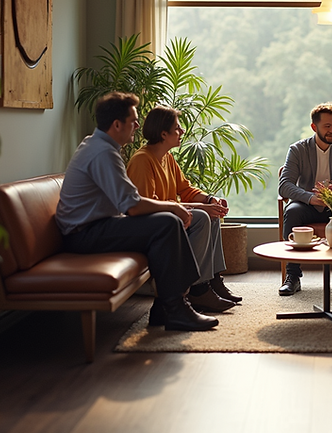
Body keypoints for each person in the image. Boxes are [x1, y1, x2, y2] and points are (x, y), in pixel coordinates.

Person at [55, 91, 217, 331]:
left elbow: (130, 201)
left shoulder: (100, 145)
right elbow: (132, 206)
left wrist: (177, 207)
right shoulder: (102, 153)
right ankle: (175, 308)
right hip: (84, 234)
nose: (138, 126)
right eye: (133, 120)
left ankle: (167, 307)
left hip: (95, 227)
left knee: (165, 222)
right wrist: (174, 206)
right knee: (167, 223)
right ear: (117, 124)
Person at [125, 106, 241, 313]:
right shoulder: (142, 161)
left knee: (211, 215)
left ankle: (212, 280)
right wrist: (200, 207)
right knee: (202, 216)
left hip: (173, 219)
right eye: (177, 128)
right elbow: (147, 205)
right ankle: (197, 290)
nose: (182, 131)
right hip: (154, 226)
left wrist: (210, 199)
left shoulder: (167, 158)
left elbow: (185, 190)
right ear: (163, 134)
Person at [278, 102, 332, 296]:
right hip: (307, 204)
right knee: (292, 211)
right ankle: (292, 275)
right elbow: (284, 185)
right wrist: (312, 198)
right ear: (314, 127)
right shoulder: (297, 149)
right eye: (327, 126)